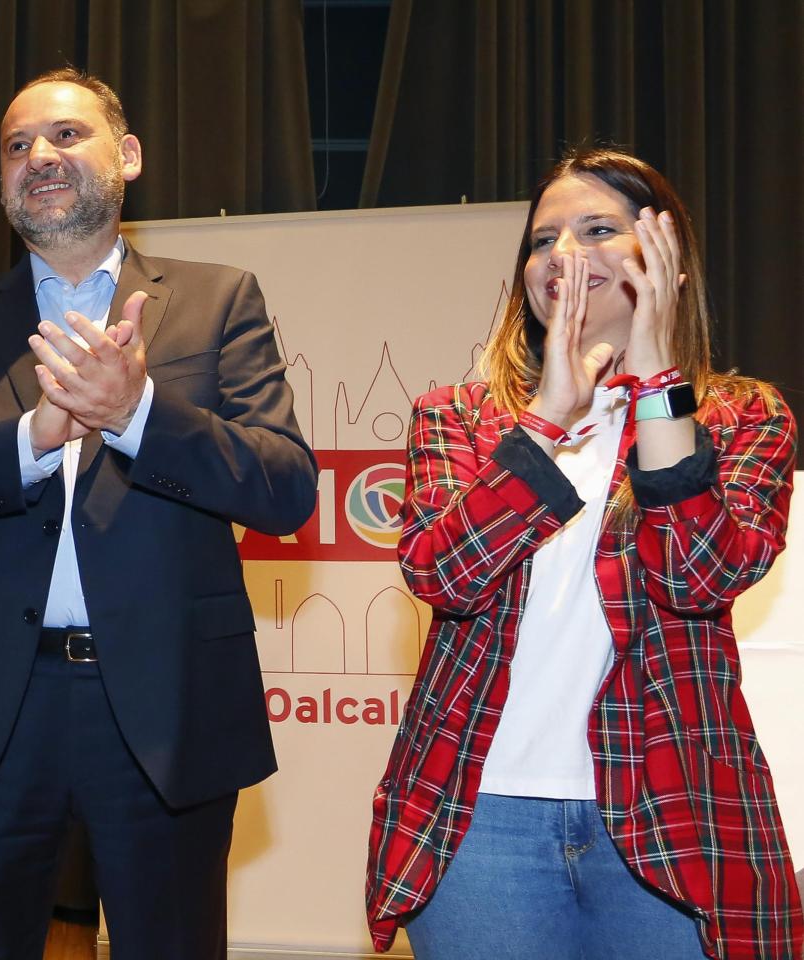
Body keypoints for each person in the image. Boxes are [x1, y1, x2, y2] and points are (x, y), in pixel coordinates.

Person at [0, 67, 317, 959]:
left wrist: (136, 414)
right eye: (18, 144)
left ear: (128, 156)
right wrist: (32, 434)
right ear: (1, 181)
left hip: (167, 703)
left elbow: (285, 486)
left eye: (66, 136)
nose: (41, 157)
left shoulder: (219, 300)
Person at [366, 148, 803, 959]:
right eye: (543, 240)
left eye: (600, 229)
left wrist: (657, 386)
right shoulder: (458, 418)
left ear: (668, 262)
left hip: (671, 809)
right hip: (480, 816)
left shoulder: (744, 419)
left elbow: (698, 576)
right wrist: (546, 419)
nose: (564, 254)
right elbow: (443, 576)